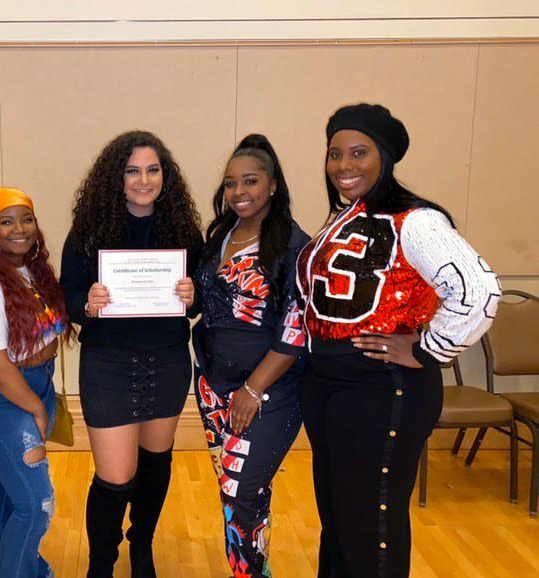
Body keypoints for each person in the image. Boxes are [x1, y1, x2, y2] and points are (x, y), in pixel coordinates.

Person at [297, 103, 502, 578]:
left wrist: (426, 347)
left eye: (358, 153)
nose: (344, 165)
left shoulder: (417, 220)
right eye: (334, 154)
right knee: (339, 516)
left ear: (384, 157)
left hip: (379, 387)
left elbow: (478, 291)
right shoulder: (343, 217)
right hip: (330, 385)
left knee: (372, 523)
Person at [60, 130, 203, 578]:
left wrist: (191, 294)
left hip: (166, 359)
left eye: (153, 169)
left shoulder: (183, 229)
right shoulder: (87, 230)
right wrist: (89, 301)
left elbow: (200, 302)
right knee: (115, 477)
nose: (144, 179)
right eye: (133, 171)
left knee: (156, 464)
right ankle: (102, 564)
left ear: (166, 175)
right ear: (116, 178)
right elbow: (67, 296)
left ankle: (143, 547)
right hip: (109, 364)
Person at [192, 134, 309, 577]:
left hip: (267, 390)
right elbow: (208, 304)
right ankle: (249, 570)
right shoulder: (220, 234)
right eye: (230, 183)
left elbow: (295, 330)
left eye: (251, 181)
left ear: (273, 185)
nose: (238, 192)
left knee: (242, 488)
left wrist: (253, 390)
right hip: (212, 383)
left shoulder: (293, 245)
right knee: (237, 491)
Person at [0, 187, 73, 578]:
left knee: (13, 495)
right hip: (4, 395)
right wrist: (36, 406)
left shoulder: (34, 271)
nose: (19, 229)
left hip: (35, 384)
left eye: (26, 219)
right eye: (6, 221)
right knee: (36, 502)